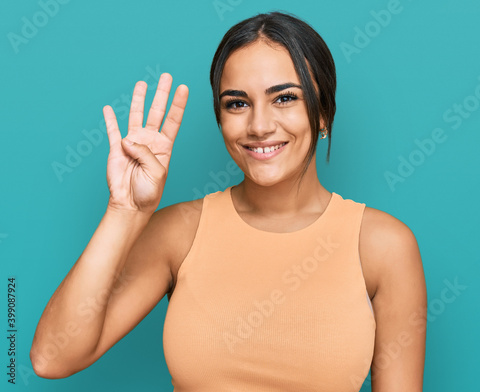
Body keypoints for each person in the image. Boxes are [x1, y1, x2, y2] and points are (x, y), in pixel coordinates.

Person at [30, 11, 427, 391]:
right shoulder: (179, 232)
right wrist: (125, 212)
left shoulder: (383, 246)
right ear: (221, 120)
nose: (258, 125)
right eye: (237, 103)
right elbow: (51, 358)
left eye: (285, 98)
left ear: (323, 112)